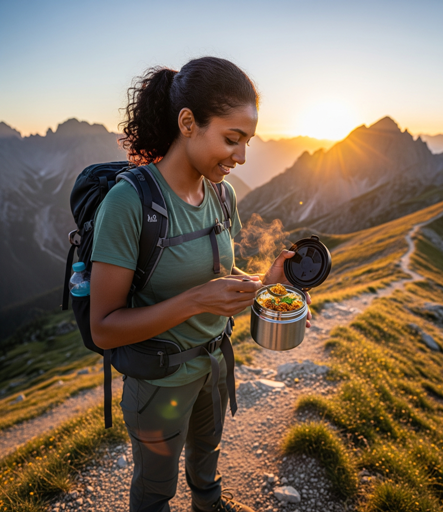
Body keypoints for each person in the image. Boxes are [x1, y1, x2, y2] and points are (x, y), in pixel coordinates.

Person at [89, 56, 312, 512]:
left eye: (248, 141)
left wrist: (263, 284)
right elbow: (104, 328)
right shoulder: (129, 203)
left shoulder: (221, 193)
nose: (242, 156)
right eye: (232, 139)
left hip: (215, 365)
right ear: (187, 123)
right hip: (159, 380)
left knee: (206, 461)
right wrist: (194, 301)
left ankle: (209, 503)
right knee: (155, 489)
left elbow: (213, 276)